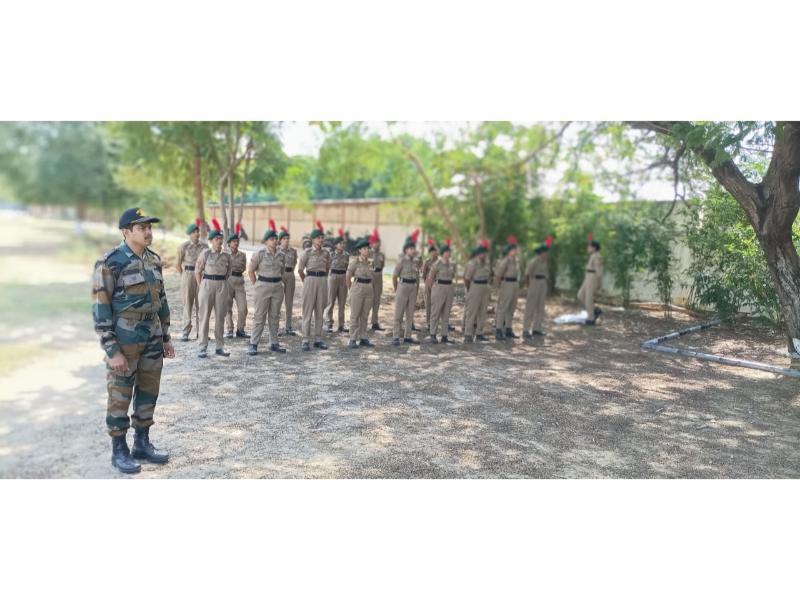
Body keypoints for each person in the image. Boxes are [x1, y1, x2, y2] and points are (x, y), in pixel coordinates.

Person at [92, 207, 174, 474]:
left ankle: (142, 443)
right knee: (120, 393)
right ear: (126, 232)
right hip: (125, 339)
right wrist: (112, 349)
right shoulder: (110, 262)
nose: (148, 232)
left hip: (152, 336)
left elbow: (161, 299)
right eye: (142, 227)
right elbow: (101, 308)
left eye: (150, 227)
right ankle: (119, 450)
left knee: (149, 389)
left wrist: (166, 336)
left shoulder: (153, 260)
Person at [195, 220, 233, 358]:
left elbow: (229, 272)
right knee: (204, 317)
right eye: (216, 239)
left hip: (221, 285)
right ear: (211, 241)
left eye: (221, 238)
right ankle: (202, 347)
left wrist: (221, 282)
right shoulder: (205, 254)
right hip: (207, 285)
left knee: (220, 317)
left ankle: (219, 347)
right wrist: (202, 286)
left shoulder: (227, 256)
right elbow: (197, 271)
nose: (219, 241)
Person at [247, 227, 287, 355]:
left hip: (277, 287)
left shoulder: (281, 255)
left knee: (275, 316)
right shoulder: (259, 254)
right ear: (266, 241)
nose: (274, 241)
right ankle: (253, 344)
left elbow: (282, 271)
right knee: (259, 316)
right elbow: (250, 270)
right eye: (271, 239)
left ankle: (274, 343)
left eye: (275, 239)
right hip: (263, 287)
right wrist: (257, 285)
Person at [297, 225, 331, 351]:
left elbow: (327, 268)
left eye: (322, 237)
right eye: (318, 238)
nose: (320, 240)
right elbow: (300, 270)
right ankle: (305, 339)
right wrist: (306, 281)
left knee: (320, 311)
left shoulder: (326, 253)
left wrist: (322, 278)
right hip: (310, 280)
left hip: (322, 280)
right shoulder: (307, 252)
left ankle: (318, 339)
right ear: (312, 240)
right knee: (307, 310)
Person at [176, 218, 207, 341]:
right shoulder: (183, 247)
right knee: (187, 304)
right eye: (194, 232)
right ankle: (185, 332)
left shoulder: (204, 246)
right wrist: (184, 276)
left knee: (202, 304)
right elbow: (178, 264)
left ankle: (201, 332)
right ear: (190, 234)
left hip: (201, 275)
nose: (197, 234)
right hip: (188, 274)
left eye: (197, 231)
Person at [346, 237, 376, 348]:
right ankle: (353, 339)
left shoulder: (370, 263)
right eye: (364, 248)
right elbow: (348, 277)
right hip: (357, 288)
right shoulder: (354, 262)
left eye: (368, 248)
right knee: (355, 315)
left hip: (368, 289)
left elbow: (373, 277)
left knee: (365, 314)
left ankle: (363, 337)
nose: (367, 250)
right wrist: (352, 290)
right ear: (359, 250)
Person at [391, 233, 421, 346]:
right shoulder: (401, 261)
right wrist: (397, 289)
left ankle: (407, 336)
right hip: (403, 286)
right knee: (398, 313)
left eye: (414, 249)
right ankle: (396, 336)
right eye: (410, 249)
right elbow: (394, 276)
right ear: (406, 250)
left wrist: (416, 289)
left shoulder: (415, 261)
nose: (413, 251)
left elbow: (417, 276)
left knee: (410, 313)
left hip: (413, 287)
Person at [427, 241, 456, 344]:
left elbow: (453, 275)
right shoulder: (437, 264)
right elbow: (430, 279)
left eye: (449, 252)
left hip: (449, 288)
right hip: (439, 288)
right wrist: (433, 291)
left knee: (446, 313)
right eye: (447, 252)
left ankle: (444, 336)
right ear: (443, 253)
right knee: (436, 312)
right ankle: (433, 334)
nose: (448, 254)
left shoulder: (451, 264)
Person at [463, 241, 492, 343]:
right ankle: (468, 334)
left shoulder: (487, 263)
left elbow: (489, 275)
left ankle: (479, 333)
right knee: (472, 311)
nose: (484, 255)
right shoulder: (473, 263)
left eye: (485, 253)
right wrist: (469, 289)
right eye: (482, 253)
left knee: (483, 312)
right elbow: (467, 279)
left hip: (485, 287)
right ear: (478, 253)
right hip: (475, 286)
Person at [522, 238, 551, 338]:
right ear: (541, 252)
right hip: (534, 282)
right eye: (545, 251)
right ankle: (526, 329)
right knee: (530, 306)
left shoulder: (545, 261)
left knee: (540, 307)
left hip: (543, 282)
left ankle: (536, 329)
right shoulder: (534, 261)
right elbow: (527, 274)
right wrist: (528, 286)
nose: (546, 253)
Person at [494, 235, 521, 340]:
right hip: (507, 284)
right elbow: (498, 274)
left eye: (516, 250)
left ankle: (508, 329)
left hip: (514, 284)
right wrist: (499, 287)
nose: (515, 251)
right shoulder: (506, 261)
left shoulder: (515, 261)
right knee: (503, 307)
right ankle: (498, 330)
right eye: (513, 250)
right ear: (509, 251)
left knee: (512, 307)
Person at [224, 223, 248, 339]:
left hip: (239, 282)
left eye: (237, 241)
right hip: (228, 281)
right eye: (233, 241)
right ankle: (229, 329)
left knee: (243, 308)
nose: (236, 243)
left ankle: (240, 329)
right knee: (227, 307)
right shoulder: (224, 255)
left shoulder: (242, 255)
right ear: (229, 243)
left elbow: (244, 268)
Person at [325, 234, 350, 333]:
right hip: (333, 277)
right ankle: (329, 323)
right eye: (340, 243)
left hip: (343, 277)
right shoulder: (330, 255)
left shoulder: (346, 255)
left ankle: (341, 325)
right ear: (335, 245)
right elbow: (327, 267)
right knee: (330, 301)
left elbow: (347, 267)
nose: (342, 245)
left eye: (343, 243)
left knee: (342, 303)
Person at [277, 225, 298, 336]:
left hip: (290, 275)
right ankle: (276, 326)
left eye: (287, 238)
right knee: (277, 301)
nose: (286, 240)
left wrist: (289, 271)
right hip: (279, 275)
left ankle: (288, 326)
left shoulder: (293, 251)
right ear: (280, 240)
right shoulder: (276, 251)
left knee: (289, 302)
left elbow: (294, 263)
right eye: (284, 238)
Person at [578, 237, 604, 325]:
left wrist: (599, 283)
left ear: (594, 248)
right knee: (580, 295)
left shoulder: (597, 256)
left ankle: (591, 318)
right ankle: (595, 310)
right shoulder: (592, 256)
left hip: (593, 277)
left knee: (588, 298)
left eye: (589, 246)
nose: (587, 248)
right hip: (588, 276)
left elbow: (599, 271)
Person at [368, 228, 386, 331]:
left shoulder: (381, 255)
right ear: (371, 243)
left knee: (376, 300)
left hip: (379, 276)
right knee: (368, 299)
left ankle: (374, 322)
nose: (377, 244)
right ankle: (363, 321)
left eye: (378, 242)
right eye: (375, 242)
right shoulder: (368, 253)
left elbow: (382, 266)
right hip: (370, 276)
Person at [422, 240, 439, 333]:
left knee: (436, 304)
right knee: (428, 303)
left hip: (437, 285)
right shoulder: (427, 262)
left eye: (436, 251)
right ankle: (428, 322)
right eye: (433, 251)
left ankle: (435, 323)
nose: (435, 253)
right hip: (428, 284)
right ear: (430, 253)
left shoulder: (440, 262)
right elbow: (424, 274)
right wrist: (427, 282)